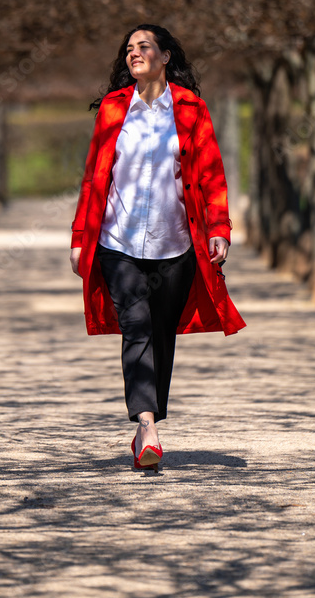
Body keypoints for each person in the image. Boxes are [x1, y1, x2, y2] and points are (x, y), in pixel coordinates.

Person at [70, 24, 245, 469]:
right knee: (137, 327)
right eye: (128, 48)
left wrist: (218, 228)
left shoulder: (191, 110)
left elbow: (211, 173)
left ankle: (147, 423)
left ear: (165, 56)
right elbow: (94, 178)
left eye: (143, 46)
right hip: (118, 241)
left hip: (175, 243)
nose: (134, 53)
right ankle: (147, 426)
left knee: (161, 333)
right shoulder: (112, 109)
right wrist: (79, 239)